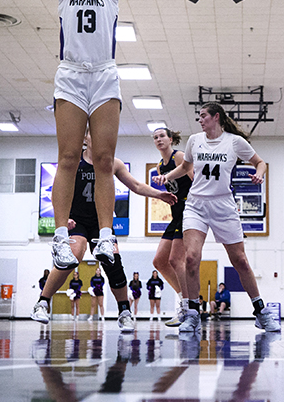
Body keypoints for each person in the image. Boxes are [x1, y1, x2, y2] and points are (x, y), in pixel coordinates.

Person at [46, 0, 122, 278]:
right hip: (72, 74)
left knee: (104, 159)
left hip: (105, 73)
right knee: (69, 157)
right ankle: (61, 236)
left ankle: (106, 234)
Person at [30, 128, 176, 331]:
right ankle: (42, 302)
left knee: (112, 260)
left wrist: (159, 195)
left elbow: (135, 185)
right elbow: (56, 192)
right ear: (85, 138)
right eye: (92, 133)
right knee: (73, 254)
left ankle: (124, 311)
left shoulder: (113, 163)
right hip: (77, 220)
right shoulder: (73, 162)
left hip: (102, 221)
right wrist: (62, 220)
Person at [154, 101, 280, 334]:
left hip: (223, 205)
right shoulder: (194, 141)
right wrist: (167, 176)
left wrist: (259, 174)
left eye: (203, 116)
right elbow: (186, 166)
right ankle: (192, 314)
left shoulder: (234, 142)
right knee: (191, 257)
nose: (200, 120)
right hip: (196, 205)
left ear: (216, 117)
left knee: (240, 260)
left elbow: (260, 162)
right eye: (199, 116)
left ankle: (261, 311)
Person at [150, 127, 193, 327]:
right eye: (155, 137)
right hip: (175, 215)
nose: (158, 139)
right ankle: (185, 297)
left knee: (176, 260)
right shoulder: (160, 166)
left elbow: (196, 180)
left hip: (189, 212)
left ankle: (188, 307)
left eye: (161, 136)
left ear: (170, 139)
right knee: (159, 261)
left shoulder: (179, 157)